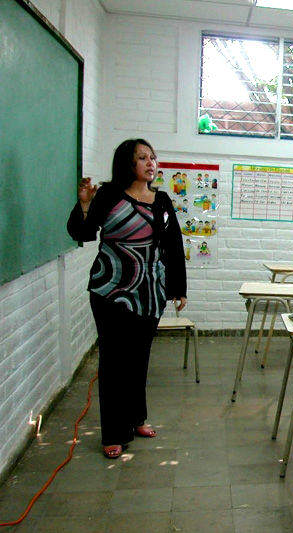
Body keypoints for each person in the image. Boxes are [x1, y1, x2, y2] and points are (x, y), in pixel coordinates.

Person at [67, 139, 186, 459]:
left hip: (149, 293)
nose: (151, 163)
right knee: (114, 362)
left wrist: (178, 288)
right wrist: (85, 205)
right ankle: (113, 433)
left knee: (138, 360)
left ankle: (136, 420)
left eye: (153, 157)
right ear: (127, 163)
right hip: (111, 290)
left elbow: (173, 244)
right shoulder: (108, 195)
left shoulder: (161, 199)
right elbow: (83, 233)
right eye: (142, 158)